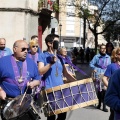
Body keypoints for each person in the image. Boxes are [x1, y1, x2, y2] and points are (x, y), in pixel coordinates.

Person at [38, 34, 77, 120]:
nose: (58, 44)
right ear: (49, 43)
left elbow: (66, 74)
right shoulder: (42, 56)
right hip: (49, 90)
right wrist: (50, 63)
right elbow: (40, 71)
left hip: (61, 90)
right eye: (56, 42)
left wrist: (77, 82)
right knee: (51, 117)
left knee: (62, 116)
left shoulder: (60, 57)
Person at [0, 40, 41, 119]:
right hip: (8, 104)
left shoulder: (31, 63)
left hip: (26, 105)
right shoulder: (2, 62)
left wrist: (34, 83)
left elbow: (38, 79)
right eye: (23, 49)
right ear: (15, 49)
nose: (26, 51)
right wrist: (0, 90)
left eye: (27, 49)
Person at [89, 44, 111, 112]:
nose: (103, 49)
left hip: (106, 75)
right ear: (100, 49)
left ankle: (104, 106)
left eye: (104, 48)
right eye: (102, 48)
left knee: (105, 91)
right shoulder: (96, 57)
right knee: (99, 91)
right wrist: (94, 68)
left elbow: (109, 66)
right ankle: (99, 104)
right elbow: (91, 63)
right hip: (98, 74)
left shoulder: (108, 57)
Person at [102, 48, 118, 120]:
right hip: (115, 96)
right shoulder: (112, 66)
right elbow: (104, 78)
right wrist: (110, 87)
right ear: (116, 55)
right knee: (113, 114)